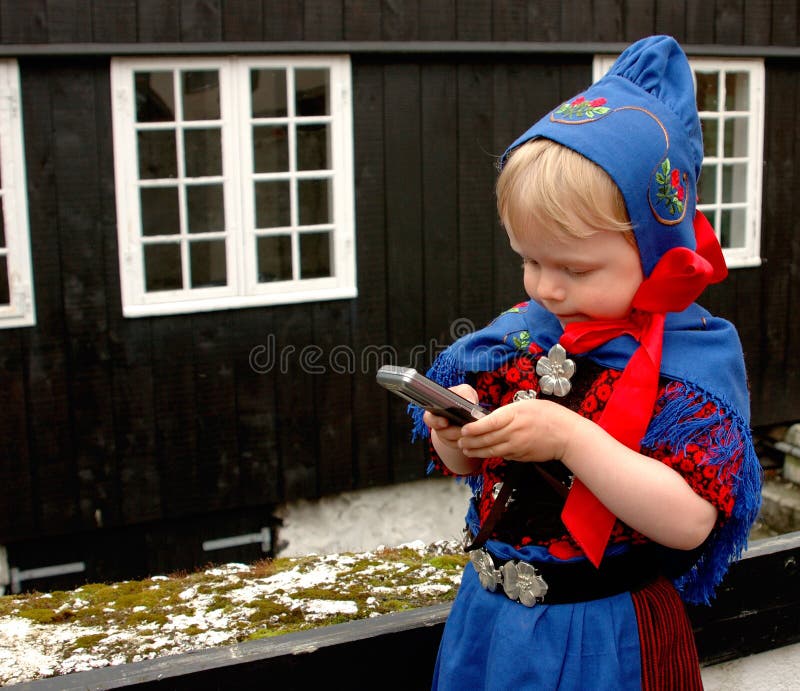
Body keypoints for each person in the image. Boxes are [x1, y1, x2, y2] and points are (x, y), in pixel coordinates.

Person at [409, 35, 762, 690]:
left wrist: (570, 436)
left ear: (656, 248)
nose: (545, 287)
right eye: (529, 259)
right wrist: (456, 434)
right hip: (487, 625)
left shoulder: (691, 363)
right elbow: (472, 471)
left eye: (573, 268)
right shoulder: (519, 338)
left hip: (607, 638)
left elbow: (690, 522)